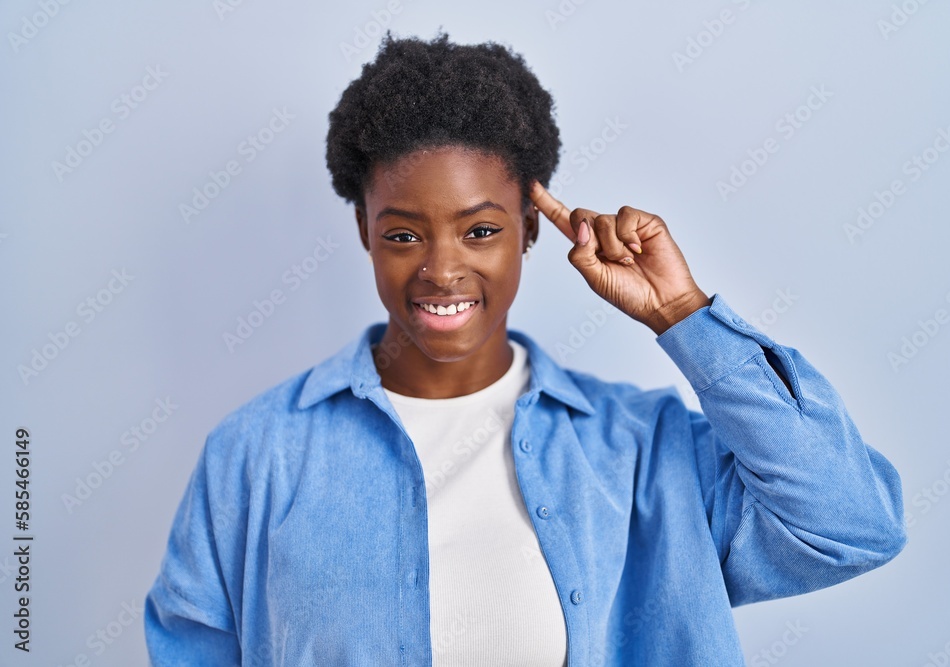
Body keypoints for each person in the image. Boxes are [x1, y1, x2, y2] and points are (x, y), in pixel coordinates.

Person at [144, 32, 907, 666]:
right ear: (363, 234)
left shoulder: (643, 453)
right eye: (403, 234)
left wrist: (683, 313)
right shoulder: (255, 455)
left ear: (531, 229)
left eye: (481, 230)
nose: (443, 269)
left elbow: (850, 524)